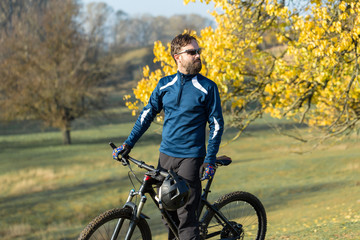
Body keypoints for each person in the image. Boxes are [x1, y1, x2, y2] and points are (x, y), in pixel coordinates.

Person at [113, 33, 224, 240]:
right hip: (165, 158)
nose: (198, 55)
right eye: (192, 52)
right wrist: (128, 144)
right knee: (167, 215)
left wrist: (209, 159)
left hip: (191, 158)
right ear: (177, 57)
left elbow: (217, 125)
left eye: (198, 51)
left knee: (186, 219)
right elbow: (146, 115)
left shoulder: (208, 87)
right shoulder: (164, 85)